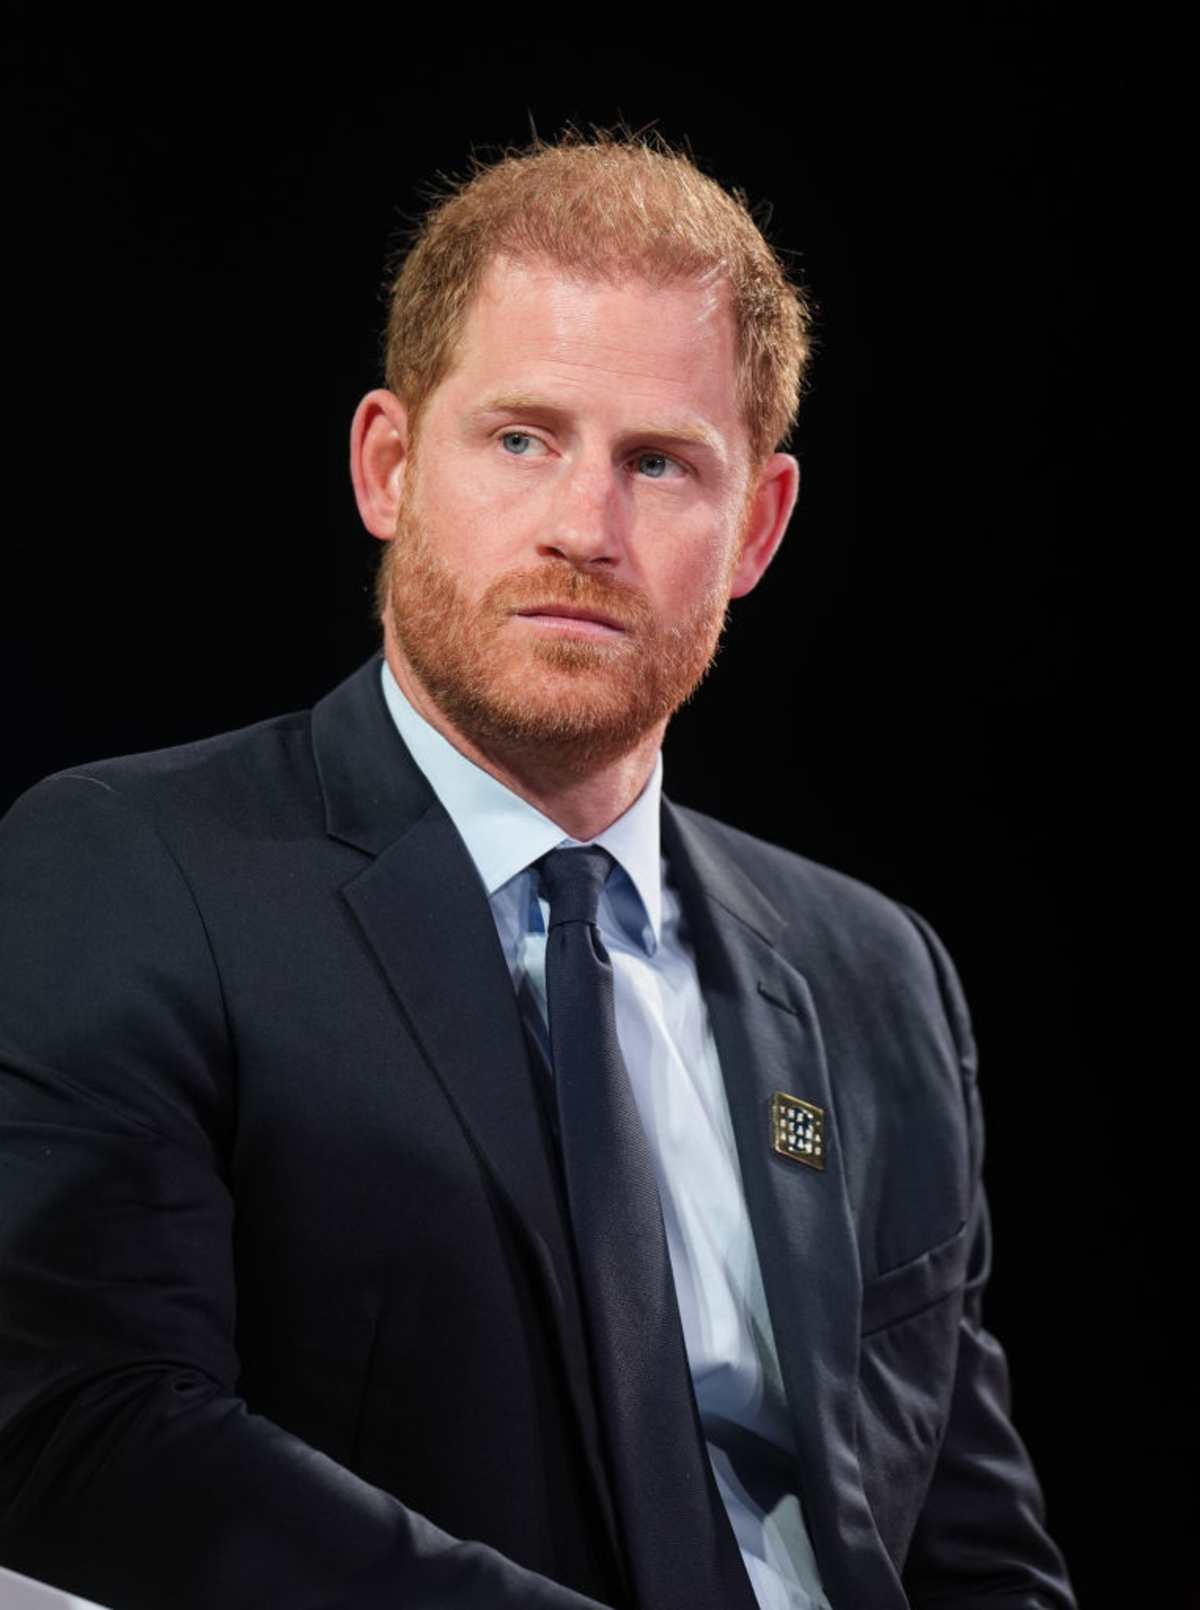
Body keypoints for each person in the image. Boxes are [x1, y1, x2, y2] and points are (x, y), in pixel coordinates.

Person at [0, 134, 1075, 1610]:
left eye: (659, 463)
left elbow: (974, 1552)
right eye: (523, 439)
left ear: (755, 527)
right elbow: (88, 1429)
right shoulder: (132, 871)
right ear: (387, 466)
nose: (585, 526)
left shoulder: (875, 973)